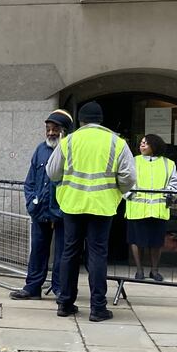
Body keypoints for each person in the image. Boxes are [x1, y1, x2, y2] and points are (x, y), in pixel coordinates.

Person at [47, 100, 136, 322]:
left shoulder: (69, 141)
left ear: (81, 120)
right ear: (101, 120)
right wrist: (119, 190)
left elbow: (52, 172)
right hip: (102, 205)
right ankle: (98, 307)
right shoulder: (117, 142)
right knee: (97, 255)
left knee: (69, 252)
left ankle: (65, 303)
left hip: (73, 204)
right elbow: (129, 177)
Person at [10, 109, 74, 300]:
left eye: (55, 129)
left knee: (63, 253)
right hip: (40, 210)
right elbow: (30, 180)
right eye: (48, 129)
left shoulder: (71, 150)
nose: (51, 133)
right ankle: (32, 287)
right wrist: (31, 202)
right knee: (38, 249)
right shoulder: (40, 149)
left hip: (63, 211)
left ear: (64, 131)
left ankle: (60, 289)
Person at [125, 134, 177, 281]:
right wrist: (129, 194)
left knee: (156, 242)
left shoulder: (168, 164)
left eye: (146, 143)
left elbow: (174, 184)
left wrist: (168, 196)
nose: (142, 145)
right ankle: (139, 270)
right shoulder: (133, 161)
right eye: (141, 143)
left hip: (158, 210)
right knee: (136, 240)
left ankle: (154, 271)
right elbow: (125, 180)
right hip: (137, 209)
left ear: (154, 146)